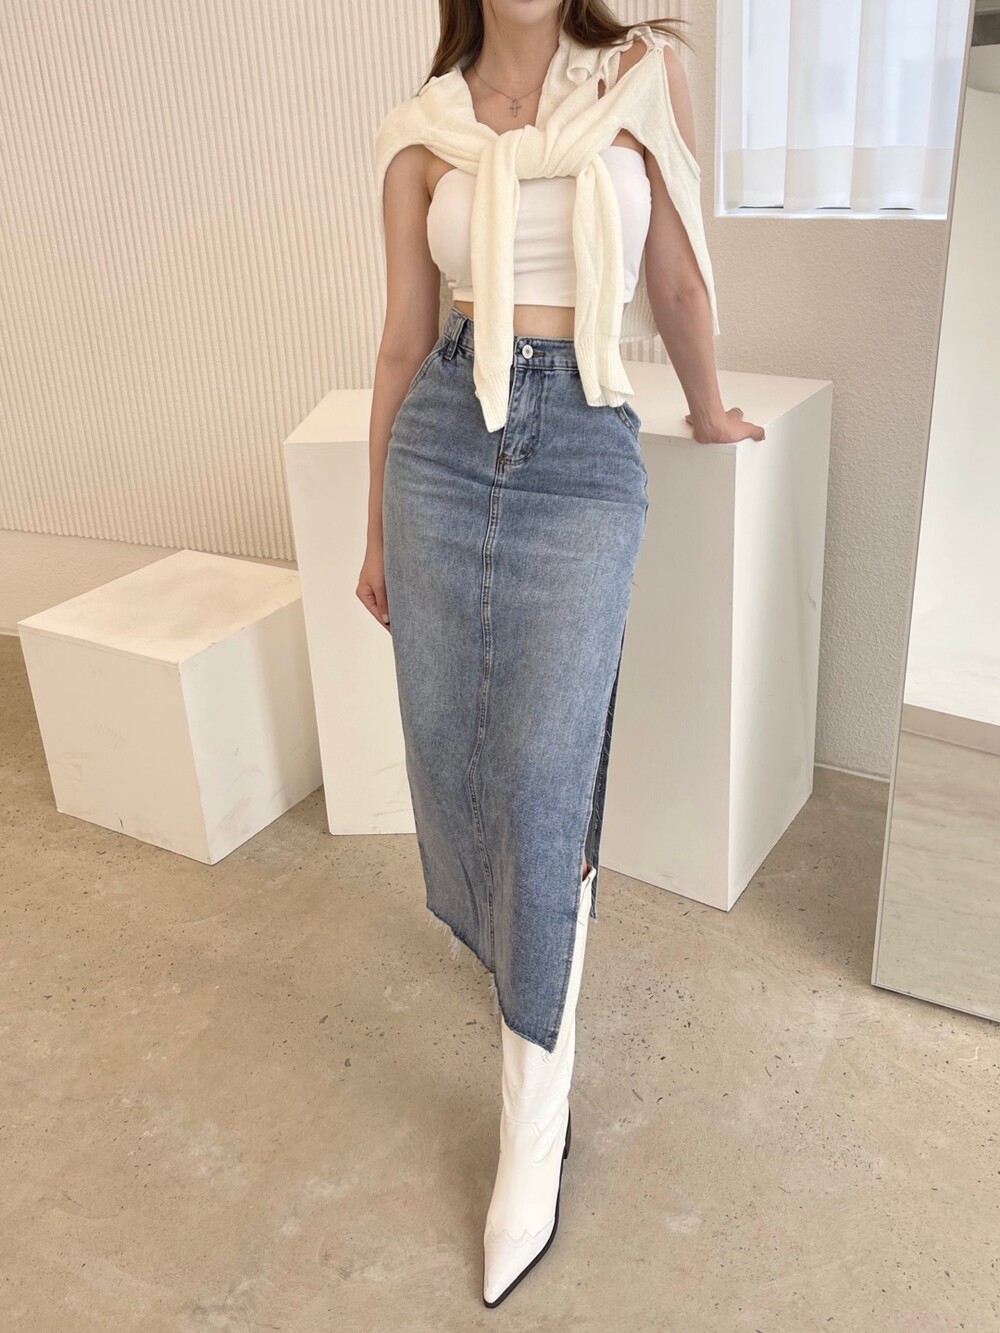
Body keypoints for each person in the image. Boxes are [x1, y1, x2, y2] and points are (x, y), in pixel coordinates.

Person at [359, 0, 764, 1309]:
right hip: (440, 443)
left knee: (544, 777)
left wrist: (710, 408)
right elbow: (403, 337)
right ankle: (518, 962)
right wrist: (375, 530)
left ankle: (534, 1110)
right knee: (449, 746)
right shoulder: (420, 132)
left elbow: (679, 277)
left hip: (585, 445)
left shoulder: (643, 77)